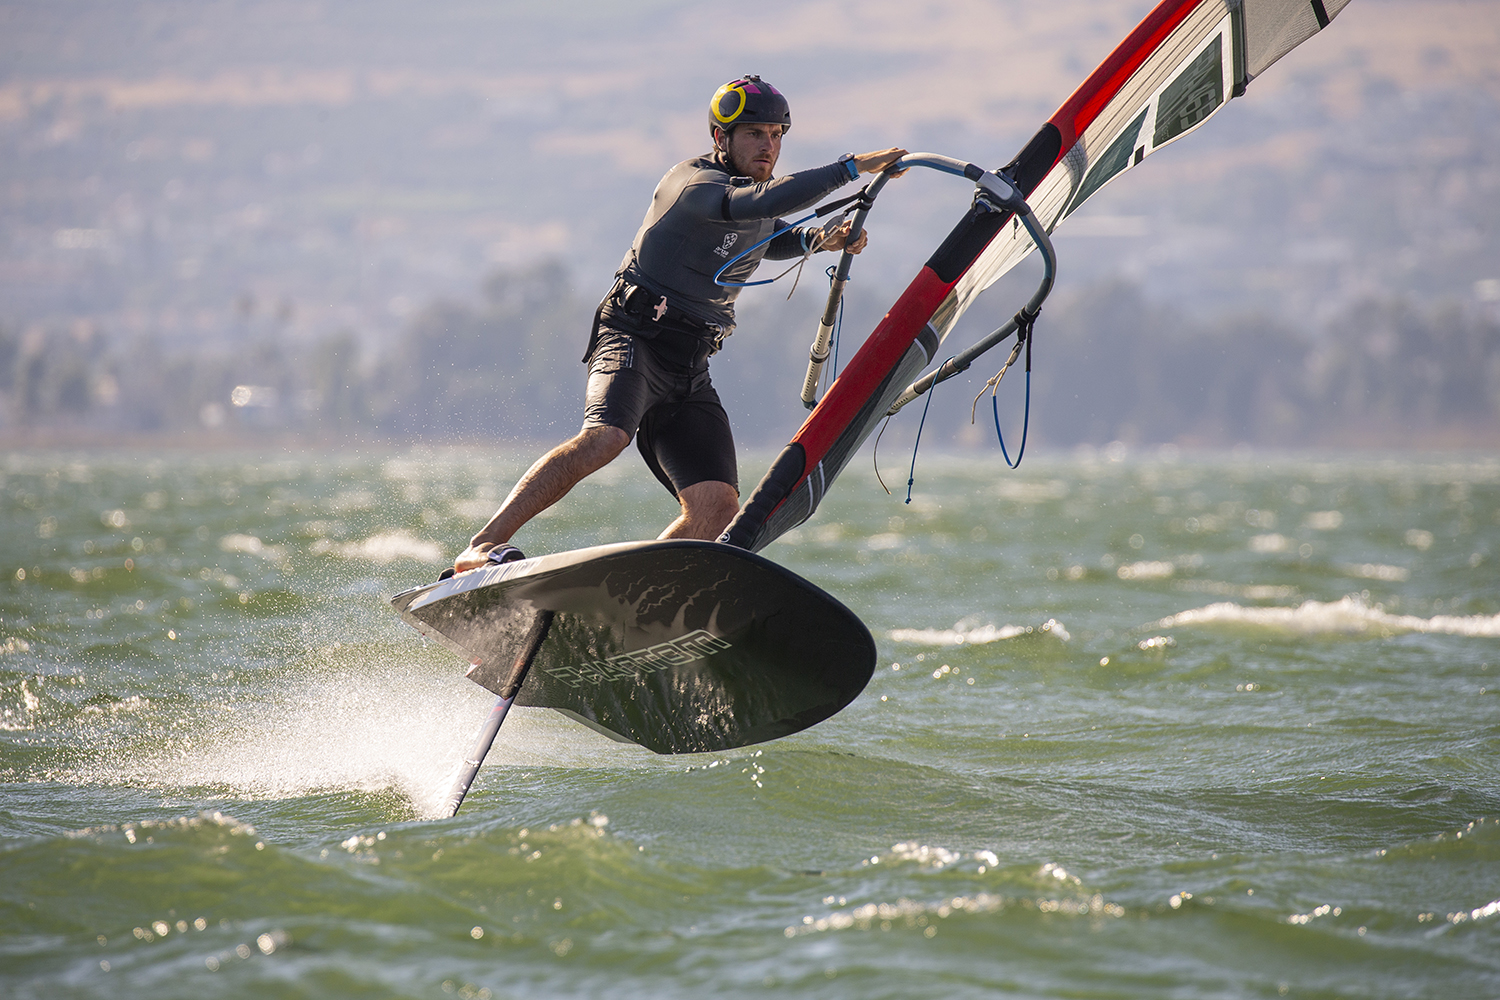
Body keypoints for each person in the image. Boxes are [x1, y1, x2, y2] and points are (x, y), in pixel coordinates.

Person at [452, 75, 906, 574]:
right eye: (755, 134)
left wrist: (822, 239)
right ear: (720, 138)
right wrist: (852, 167)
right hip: (634, 336)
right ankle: (481, 545)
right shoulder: (694, 184)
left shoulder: (747, 196)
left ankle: (632, 597)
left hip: (690, 364)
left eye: (776, 135)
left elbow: (767, 234)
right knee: (606, 438)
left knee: (717, 510)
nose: (768, 146)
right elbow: (761, 206)